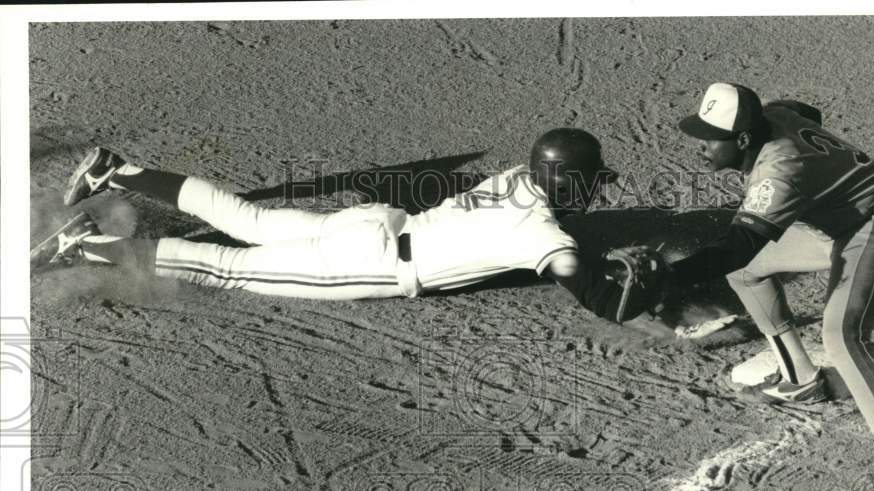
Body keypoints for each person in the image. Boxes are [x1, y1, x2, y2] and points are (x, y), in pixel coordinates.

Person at [666, 82, 874, 491]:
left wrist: (666, 279)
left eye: (711, 138)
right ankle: (801, 380)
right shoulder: (774, 116)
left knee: (843, 337)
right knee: (746, 271)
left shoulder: (779, 172)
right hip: (842, 226)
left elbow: (737, 245)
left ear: (744, 139)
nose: (701, 146)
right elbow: (803, 110)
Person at [34, 129, 620, 299]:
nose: (596, 191)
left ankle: (119, 170)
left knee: (250, 221)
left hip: (371, 223)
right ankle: (87, 247)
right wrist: (624, 291)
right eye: (592, 180)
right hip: (372, 262)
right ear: (568, 180)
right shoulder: (542, 231)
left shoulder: (518, 178)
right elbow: (573, 273)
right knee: (225, 266)